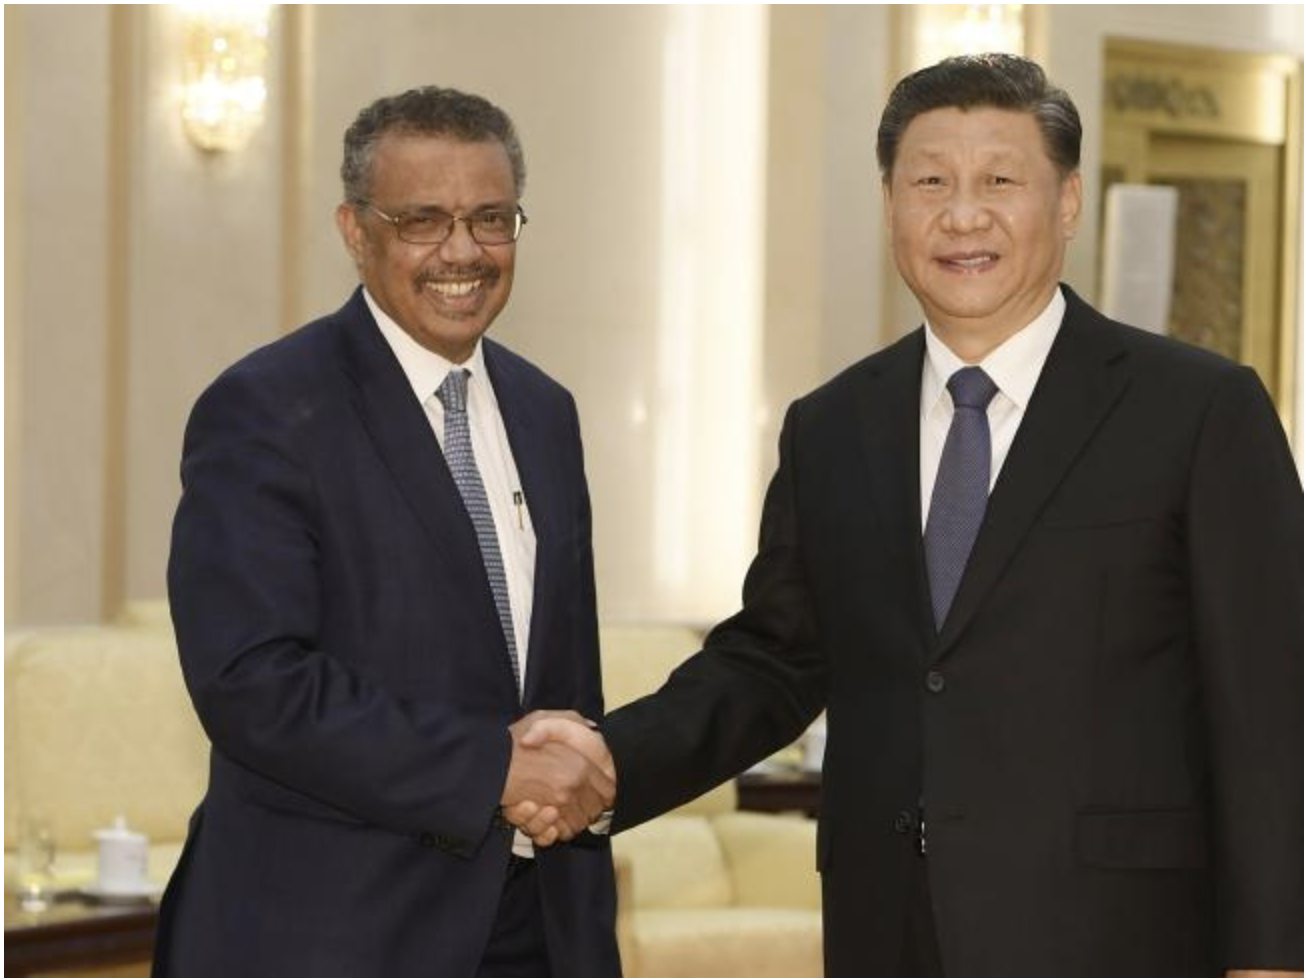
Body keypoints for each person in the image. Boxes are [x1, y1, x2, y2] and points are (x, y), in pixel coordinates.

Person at [518, 54, 1303, 976]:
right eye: (930, 181)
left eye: (1000, 180)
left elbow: (1274, 705)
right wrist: (612, 761)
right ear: (890, 203)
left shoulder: (1198, 411)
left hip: (1116, 936)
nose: (962, 214)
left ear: (1068, 201)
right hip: (888, 929)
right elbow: (774, 658)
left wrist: (1275, 955)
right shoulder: (832, 425)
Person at [154, 86, 619, 977]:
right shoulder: (264, 409)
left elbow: (567, 682)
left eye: (491, 219)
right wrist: (490, 770)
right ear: (355, 230)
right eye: (422, 220)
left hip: (536, 930)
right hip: (332, 933)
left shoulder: (544, 411)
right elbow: (252, 682)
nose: (462, 252)